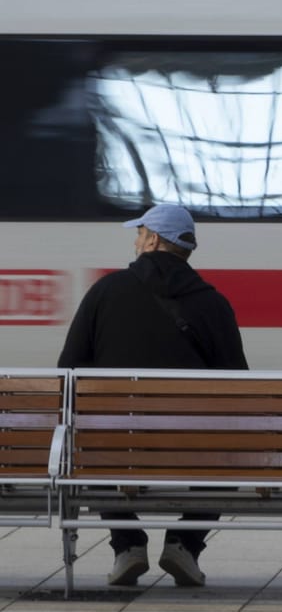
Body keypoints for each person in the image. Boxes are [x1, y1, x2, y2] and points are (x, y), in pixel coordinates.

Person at [59, 204, 247, 589]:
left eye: (139, 232)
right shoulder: (213, 302)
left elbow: (69, 367)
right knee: (230, 450)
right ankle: (185, 543)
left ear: (154, 240)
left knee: (87, 445)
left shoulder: (105, 292)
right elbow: (236, 383)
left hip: (115, 443)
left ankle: (127, 545)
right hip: (191, 446)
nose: (135, 239)